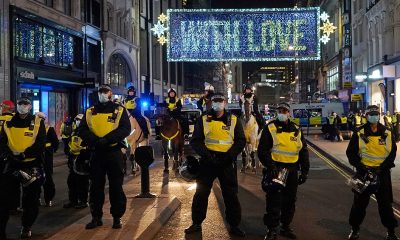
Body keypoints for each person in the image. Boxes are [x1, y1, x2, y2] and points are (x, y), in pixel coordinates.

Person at [185, 93, 246, 237]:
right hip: (208, 162)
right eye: (215, 101)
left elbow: (240, 140)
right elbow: (196, 140)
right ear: (211, 103)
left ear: (225, 103)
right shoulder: (204, 119)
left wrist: (230, 156)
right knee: (201, 194)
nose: (218, 104)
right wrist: (207, 155)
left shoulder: (234, 120)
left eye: (220, 101)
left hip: (226, 162)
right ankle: (196, 223)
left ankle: (234, 225)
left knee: (230, 195)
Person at [79, 84, 130, 229]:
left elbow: (125, 128)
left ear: (110, 94)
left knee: (116, 187)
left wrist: (108, 139)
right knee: (95, 187)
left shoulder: (120, 110)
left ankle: (117, 217)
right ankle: (96, 217)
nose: (103, 94)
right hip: (97, 153)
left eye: (105, 92)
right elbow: (82, 129)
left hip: (113, 152)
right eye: (100, 92)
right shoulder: (90, 111)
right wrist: (95, 140)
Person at [257, 102, 310, 240]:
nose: (282, 113)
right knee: (274, 200)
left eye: (284, 111)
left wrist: (305, 171)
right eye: (280, 110)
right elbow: (262, 151)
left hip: (292, 170)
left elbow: (303, 151)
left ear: (289, 113)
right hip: (276, 168)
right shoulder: (270, 127)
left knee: (290, 201)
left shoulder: (296, 129)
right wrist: (271, 166)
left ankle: (285, 226)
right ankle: (271, 229)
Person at [346, 105, 398, 240]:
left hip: (382, 174)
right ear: (367, 116)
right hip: (364, 174)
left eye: (376, 113)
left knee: (386, 205)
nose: (374, 116)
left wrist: (382, 168)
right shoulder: (359, 132)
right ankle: (354, 229)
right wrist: (361, 166)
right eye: (371, 114)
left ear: (378, 115)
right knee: (359, 205)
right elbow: (351, 153)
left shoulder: (387, 132)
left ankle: (391, 232)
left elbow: (392, 153)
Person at [0, 97, 46, 239]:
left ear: (30, 107)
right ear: (16, 106)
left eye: (25, 104)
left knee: (31, 200)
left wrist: (25, 154)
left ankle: (26, 227)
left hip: (31, 165)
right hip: (12, 164)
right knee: (4, 200)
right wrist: (8, 155)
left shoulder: (38, 122)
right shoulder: (8, 123)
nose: (22, 106)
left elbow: (40, 143)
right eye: (20, 104)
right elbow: (2, 142)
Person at [63, 114, 90, 209]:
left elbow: (89, 147)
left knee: (82, 182)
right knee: (71, 182)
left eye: (79, 120)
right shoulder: (74, 132)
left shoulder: (87, 132)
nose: (77, 121)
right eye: (76, 120)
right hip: (73, 159)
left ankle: (83, 201)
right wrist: (68, 152)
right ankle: (73, 201)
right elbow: (70, 144)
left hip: (82, 160)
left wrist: (85, 155)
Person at [38, 113, 59, 207]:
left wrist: (51, 151)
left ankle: (48, 198)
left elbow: (55, 142)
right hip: (37, 156)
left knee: (47, 178)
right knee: (35, 178)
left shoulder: (49, 129)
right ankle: (37, 198)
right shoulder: (33, 128)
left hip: (46, 156)